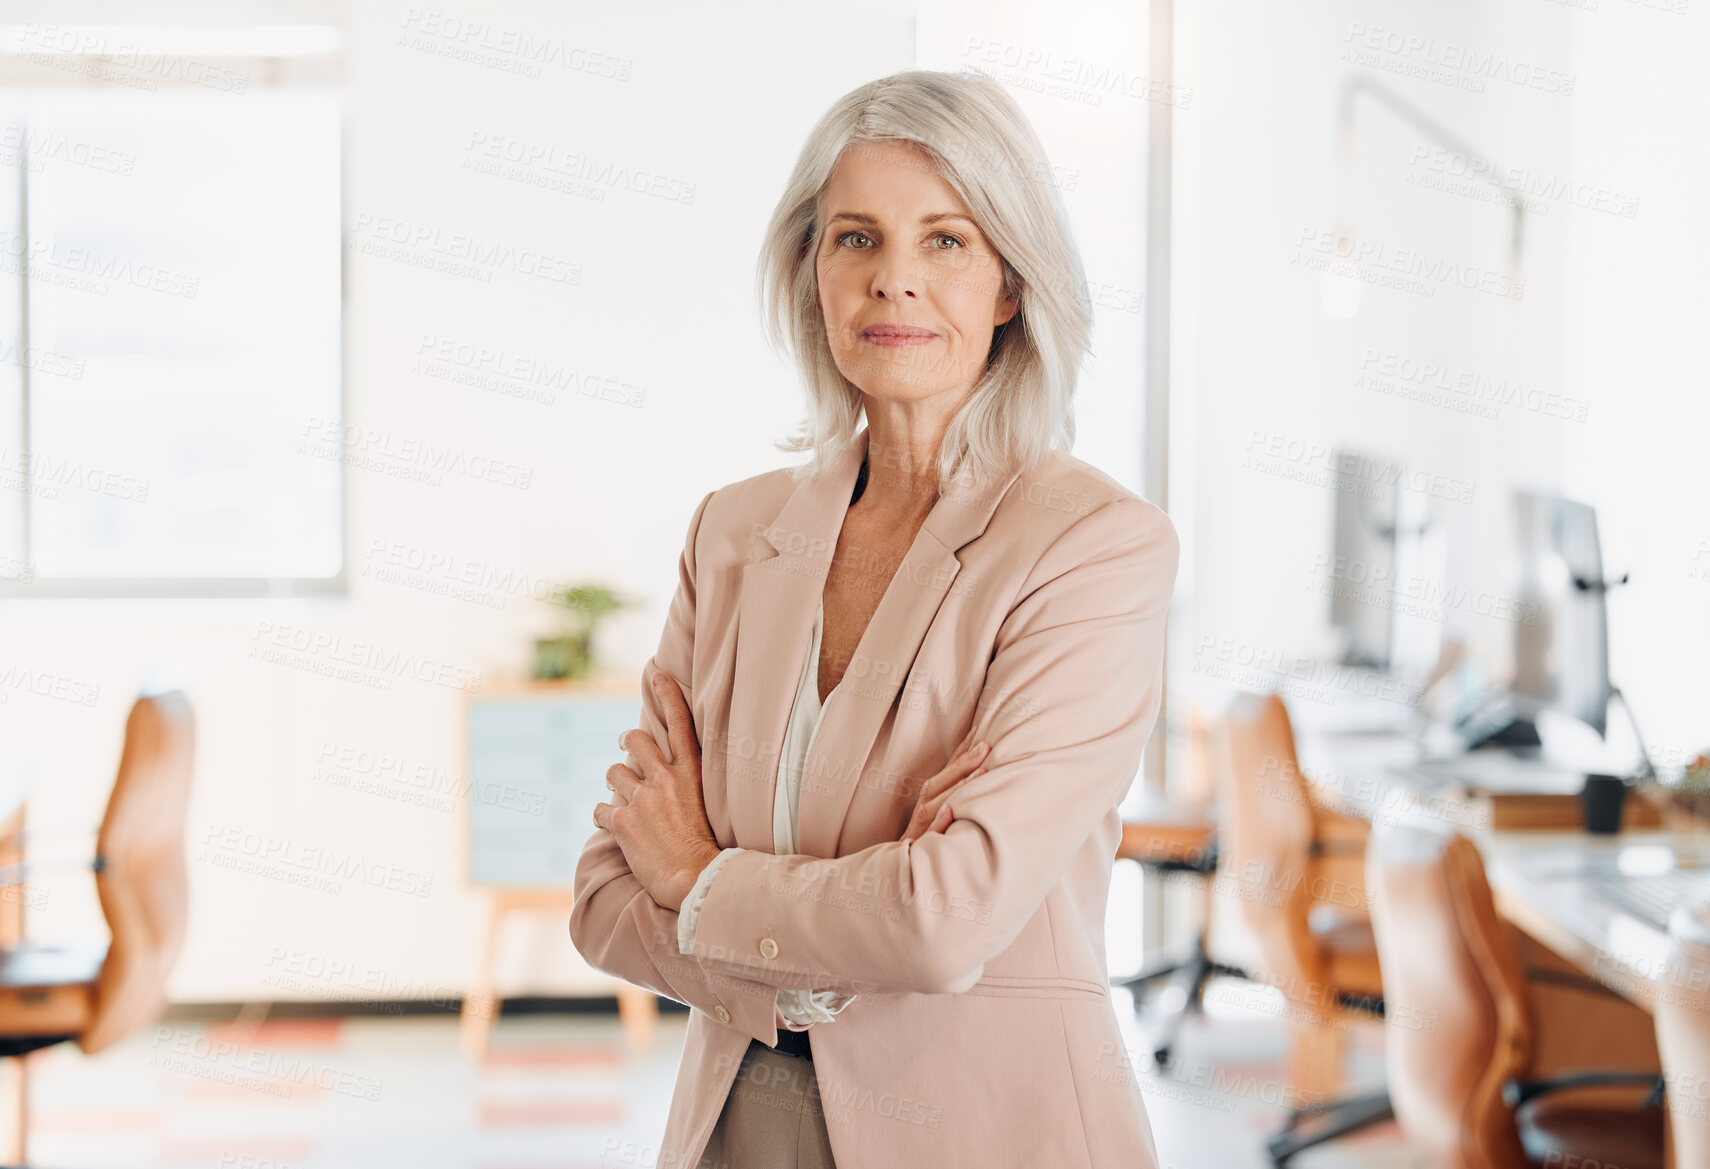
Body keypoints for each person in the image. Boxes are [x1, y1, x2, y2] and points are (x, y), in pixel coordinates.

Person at [570, 67, 1178, 1169]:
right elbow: (608, 894)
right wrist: (843, 922)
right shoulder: (733, 533)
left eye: (946, 240)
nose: (895, 280)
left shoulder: (1092, 546)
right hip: (737, 1121)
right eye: (857, 238)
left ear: (1009, 282)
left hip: (991, 1131)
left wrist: (701, 876)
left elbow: (945, 918)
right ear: (813, 276)